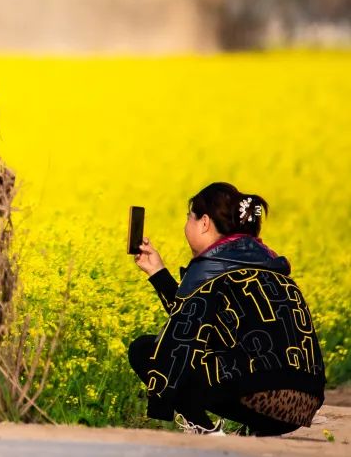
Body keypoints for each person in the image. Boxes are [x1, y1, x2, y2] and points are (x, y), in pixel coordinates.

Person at [129, 182, 325, 436]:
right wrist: (157, 272)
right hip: (304, 403)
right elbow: (191, 316)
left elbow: (182, 332)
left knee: (146, 350)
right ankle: (254, 432)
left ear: (204, 223)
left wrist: (164, 399)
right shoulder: (270, 266)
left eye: (189, 218)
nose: (186, 226)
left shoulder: (210, 270)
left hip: (257, 396)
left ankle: (204, 429)